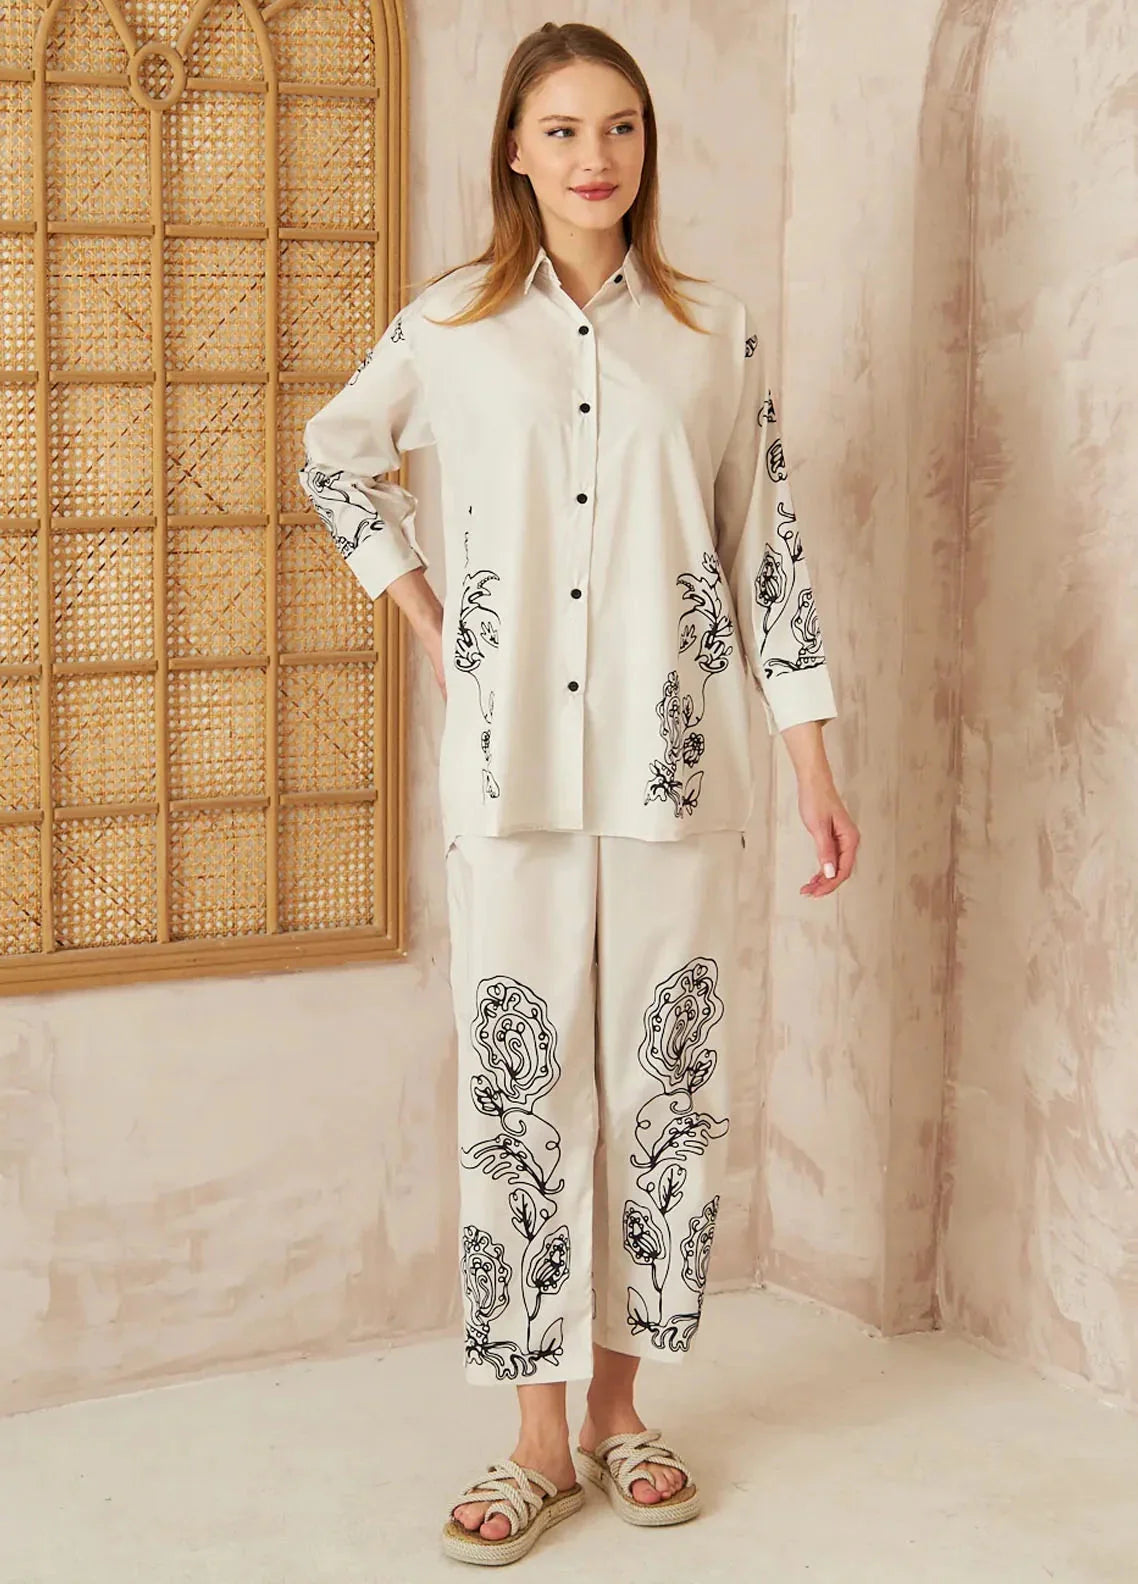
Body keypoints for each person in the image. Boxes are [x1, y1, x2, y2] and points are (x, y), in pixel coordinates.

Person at [298, 18, 859, 1568]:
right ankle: (534, 1437)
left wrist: (813, 762)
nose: (593, 155)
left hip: (678, 763)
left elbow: (765, 552)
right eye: (560, 129)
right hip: (513, 772)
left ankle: (620, 1410)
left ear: (644, 145)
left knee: (665, 1090)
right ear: (513, 150)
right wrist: (434, 625)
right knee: (521, 1091)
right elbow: (335, 459)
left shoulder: (712, 331)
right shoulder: (449, 325)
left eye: (618, 126)